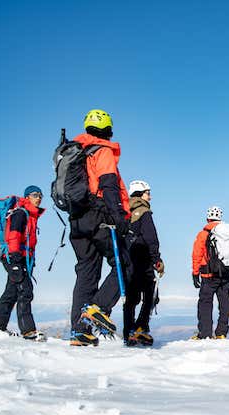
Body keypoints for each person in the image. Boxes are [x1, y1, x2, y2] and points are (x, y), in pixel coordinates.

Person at [69, 109, 132, 346]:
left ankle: (79, 331)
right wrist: (119, 218)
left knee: (86, 271)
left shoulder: (75, 151)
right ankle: (99, 307)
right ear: (108, 128)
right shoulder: (101, 150)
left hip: (76, 218)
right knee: (125, 263)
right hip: (99, 214)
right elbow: (109, 184)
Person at [0, 186, 45, 341]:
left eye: (40, 195)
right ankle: (28, 331)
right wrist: (15, 261)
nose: (39, 198)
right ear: (27, 197)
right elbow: (14, 236)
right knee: (25, 291)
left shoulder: (30, 215)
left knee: (11, 292)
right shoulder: (21, 213)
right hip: (14, 257)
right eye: (35, 195)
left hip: (20, 258)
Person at [122, 180, 164, 346]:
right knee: (151, 296)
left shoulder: (126, 211)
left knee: (131, 299)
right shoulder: (144, 211)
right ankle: (141, 328)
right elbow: (151, 237)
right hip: (144, 259)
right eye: (148, 193)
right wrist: (157, 259)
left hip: (128, 259)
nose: (150, 196)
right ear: (140, 194)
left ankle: (129, 333)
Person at [191, 206, 229, 340]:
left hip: (208, 274)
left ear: (208, 218)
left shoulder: (203, 233)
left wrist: (195, 272)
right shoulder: (227, 234)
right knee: (224, 303)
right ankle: (221, 332)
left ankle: (205, 333)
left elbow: (197, 254)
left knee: (205, 303)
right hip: (225, 274)